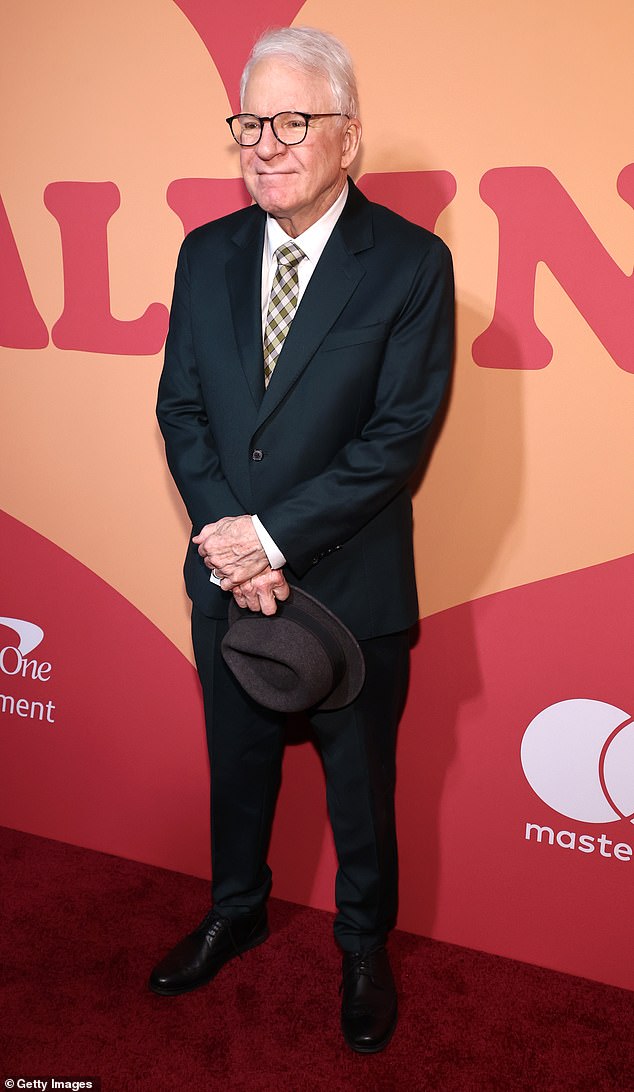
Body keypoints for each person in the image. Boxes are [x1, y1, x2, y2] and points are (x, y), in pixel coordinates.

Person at [151, 26, 454, 1054]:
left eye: (295, 121)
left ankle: (364, 945)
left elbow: (396, 440)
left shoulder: (411, 265)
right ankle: (234, 909)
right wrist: (230, 548)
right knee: (235, 770)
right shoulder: (206, 252)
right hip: (226, 586)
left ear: (349, 139)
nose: (267, 145)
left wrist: (269, 539)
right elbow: (181, 411)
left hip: (351, 591)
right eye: (250, 123)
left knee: (362, 792)